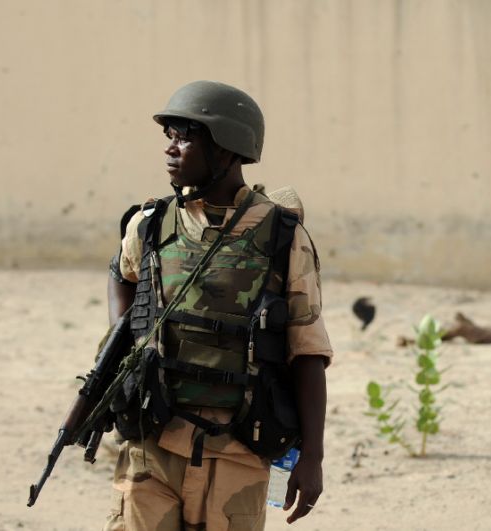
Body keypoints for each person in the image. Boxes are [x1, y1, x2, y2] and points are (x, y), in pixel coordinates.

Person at [104, 80, 332, 530]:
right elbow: (120, 273)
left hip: (238, 452)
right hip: (152, 445)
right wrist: (129, 345)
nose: (171, 149)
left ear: (228, 150)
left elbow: (307, 351)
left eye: (186, 136)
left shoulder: (282, 238)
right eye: (169, 137)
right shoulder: (151, 225)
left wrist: (313, 457)